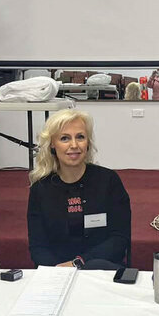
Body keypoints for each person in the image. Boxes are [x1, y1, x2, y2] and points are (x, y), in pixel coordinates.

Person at [27, 109, 131, 269]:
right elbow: (38, 247)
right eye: (65, 138)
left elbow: (119, 239)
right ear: (52, 144)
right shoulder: (40, 189)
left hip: (101, 269)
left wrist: (78, 263)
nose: (74, 145)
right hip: (56, 273)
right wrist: (57, 270)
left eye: (80, 137)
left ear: (88, 142)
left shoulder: (109, 181)